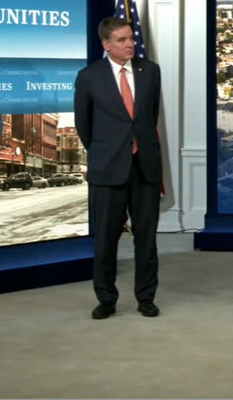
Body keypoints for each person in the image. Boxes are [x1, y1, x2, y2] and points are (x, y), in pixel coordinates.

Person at [74, 17, 163, 319]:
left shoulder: (150, 71)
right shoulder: (89, 76)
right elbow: (84, 126)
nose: (130, 44)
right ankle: (106, 299)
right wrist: (108, 152)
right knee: (106, 240)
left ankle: (146, 298)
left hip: (144, 167)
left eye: (130, 38)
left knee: (146, 238)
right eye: (122, 40)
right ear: (106, 44)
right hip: (107, 169)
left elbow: (148, 117)